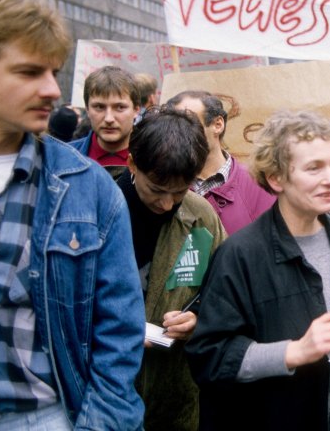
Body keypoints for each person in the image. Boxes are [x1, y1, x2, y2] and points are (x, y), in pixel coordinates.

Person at [0, 0, 145, 429]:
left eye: (53, 72)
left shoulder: (89, 189)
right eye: (29, 72)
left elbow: (120, 332)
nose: (50, 89)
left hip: (49, 417)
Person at [186, 110, 330, 431]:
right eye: (314, 168)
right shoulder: (241, 254)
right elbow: (210, 356)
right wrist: (295, 351)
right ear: (276, 178)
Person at [117, 107, 227, 431]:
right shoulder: (97, 210)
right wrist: (116, 329)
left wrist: (200, 318)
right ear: (132, 163)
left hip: (173, 401)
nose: (166, 204)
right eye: (157, 189)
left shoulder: (201, 217)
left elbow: (225, 289)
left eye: (180, 191)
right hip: (105, 394)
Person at [168, 90, 275, 234]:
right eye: (173, 126)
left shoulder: (259, 184)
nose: (178, 133)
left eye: (188, 123)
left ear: (218, 125)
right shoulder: (164, 186)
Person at [71, 66, 140, 180]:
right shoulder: (64, 157)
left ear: (136, 110)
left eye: (120, 107)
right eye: (99, 107)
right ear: (87, 109)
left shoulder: (155, 160)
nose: (109, 119)